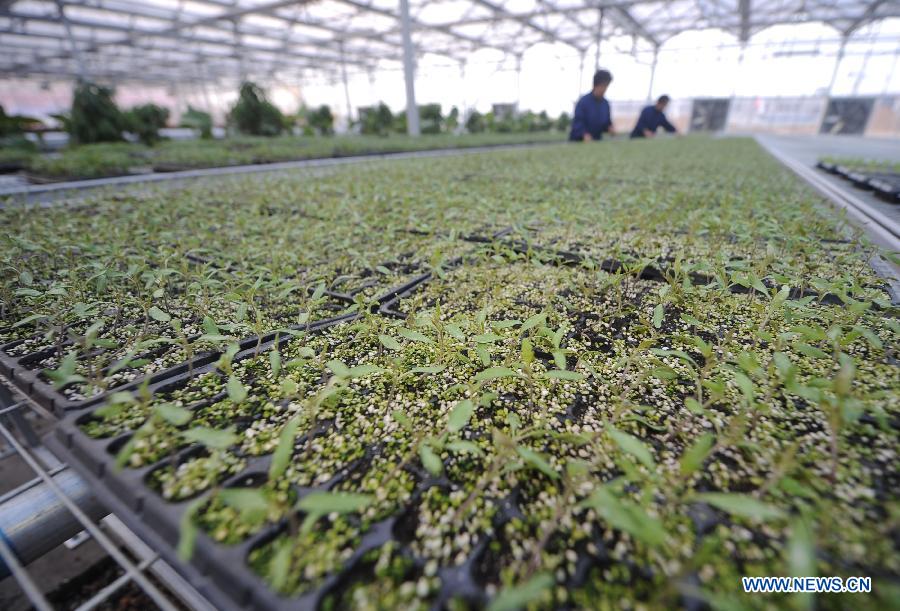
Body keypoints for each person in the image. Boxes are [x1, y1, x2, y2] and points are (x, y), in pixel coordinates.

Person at [569, 70, 614, 142]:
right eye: (603, 86)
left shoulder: (605, 104)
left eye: (606, 86)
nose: (605, 89)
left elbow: (606, 123)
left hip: (596, 141)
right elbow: (577, 123)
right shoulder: (583, 102)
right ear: (596, 85)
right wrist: (584, 134)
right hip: (578, 141)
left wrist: (610, 128)